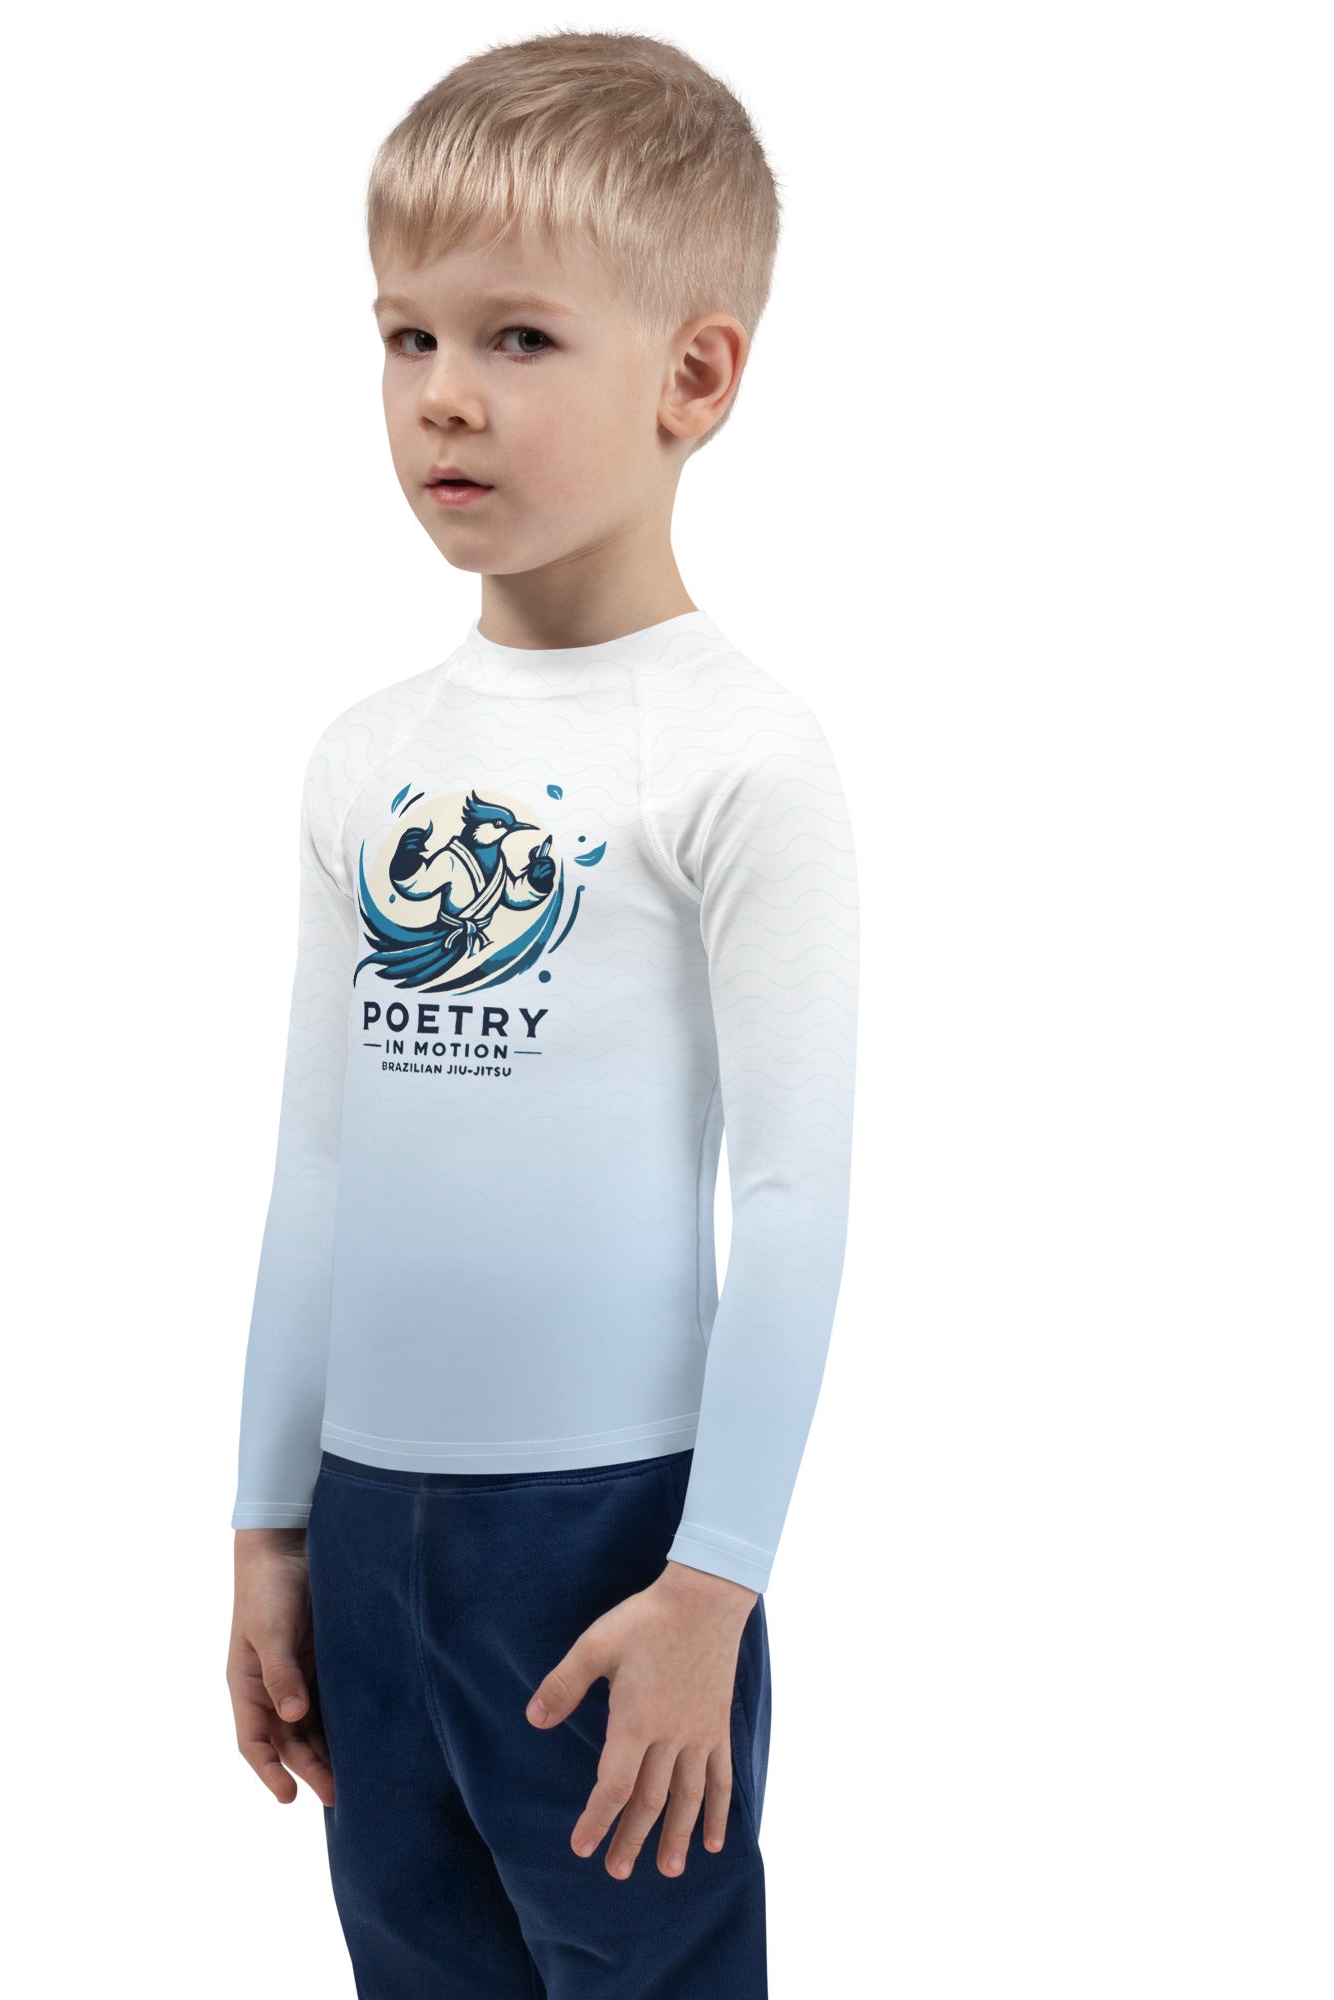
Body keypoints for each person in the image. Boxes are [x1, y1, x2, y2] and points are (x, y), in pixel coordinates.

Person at [225, 29, 859, 1996]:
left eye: (517, 338)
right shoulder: (363, 758)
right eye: (405, 336)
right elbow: (321, 1162)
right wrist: (268, 1524)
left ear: (694, 377)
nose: (443, 395)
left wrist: (712, 1582)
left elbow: (792, 1199)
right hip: (368, 1524)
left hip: (608, 1542)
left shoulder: (739, 755)